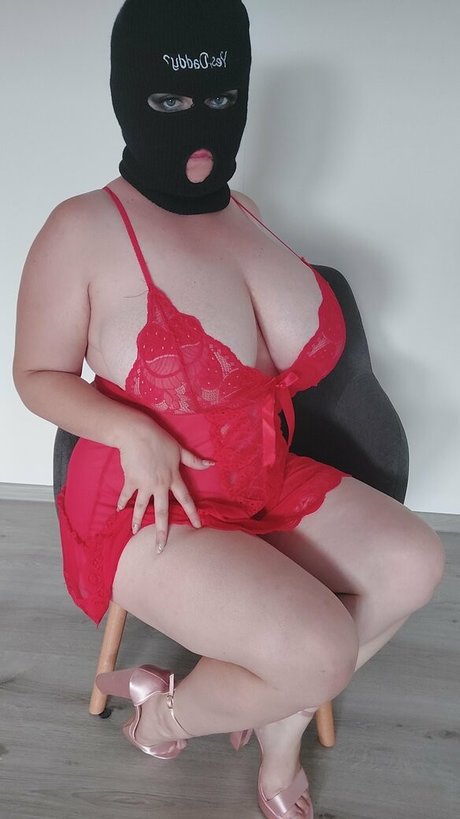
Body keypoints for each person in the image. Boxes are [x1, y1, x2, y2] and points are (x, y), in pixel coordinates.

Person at [13, 1, 445, 817]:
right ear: (127, 93)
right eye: (170, 99)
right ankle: (164, 717)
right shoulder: (81, 228)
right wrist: (129, 426)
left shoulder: (243, 213)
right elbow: (35, 374)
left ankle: (277, 724)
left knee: (414, 561)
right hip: (148, 503)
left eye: (220, 98)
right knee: (320, 646)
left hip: (260, 473)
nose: (199, 122)